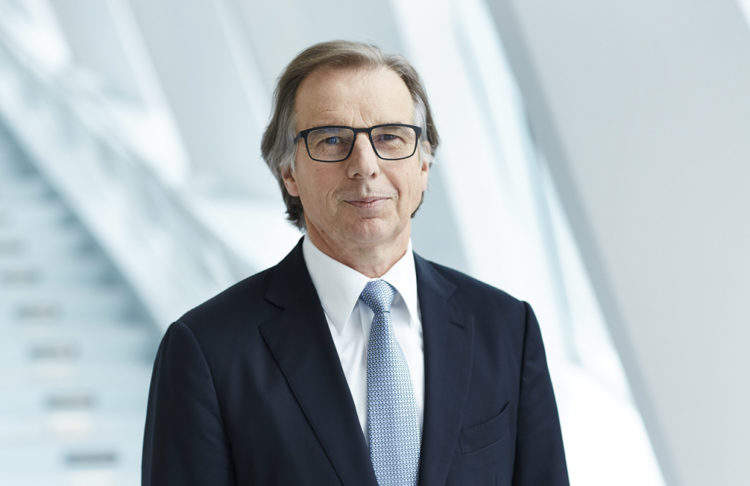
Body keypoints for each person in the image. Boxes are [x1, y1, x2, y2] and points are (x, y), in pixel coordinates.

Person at [141, 40, 569, 486]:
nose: (365, 166)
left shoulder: (506, 329)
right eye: (332, 140)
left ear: (424, 165)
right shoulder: (207, 351)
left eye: (389, 137)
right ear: (289, 172)